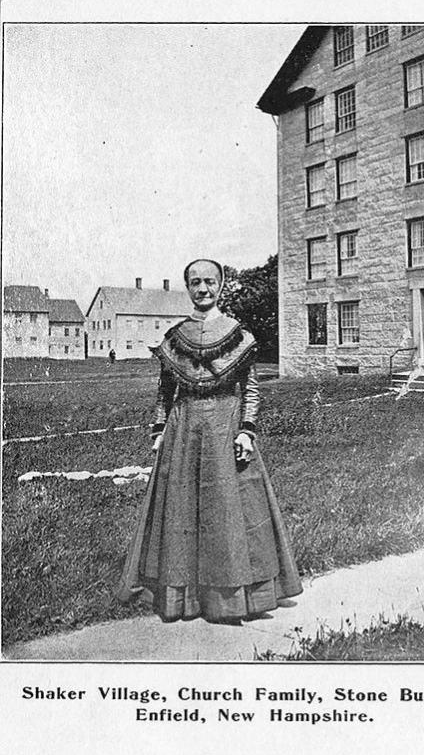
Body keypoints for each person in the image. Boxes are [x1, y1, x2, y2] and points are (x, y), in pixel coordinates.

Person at [116, 258, 302, 623]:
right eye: (196, 283)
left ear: (221, 285)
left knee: (230, 511)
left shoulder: (237, 332)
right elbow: (164, 391)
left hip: (226, 427)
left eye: (210, 282)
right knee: (181, 512)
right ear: (188, 288)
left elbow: (250, 389)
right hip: (183, 431)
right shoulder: (175, 336)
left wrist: (247, 431)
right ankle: (183, 597)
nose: (203, 289)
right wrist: (159, 431)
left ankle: (232, 599)